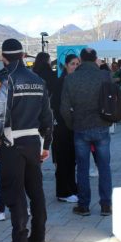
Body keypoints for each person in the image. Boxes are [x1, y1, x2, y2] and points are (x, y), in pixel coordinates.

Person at [0, 38, 53, 242]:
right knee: (36, 192)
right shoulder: (38, 80)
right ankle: (39, 237)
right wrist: (46, 145)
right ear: (23, 55)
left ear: (4, 57)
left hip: (12, 144)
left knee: (14, 193)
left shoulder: (6, 79)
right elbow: (47, 116)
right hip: (34, 142)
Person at [61, 47, 113, 217]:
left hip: (80, 128)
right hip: (102, 127)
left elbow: (64, 109)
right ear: (96, 58)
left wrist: (72, 124)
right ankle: (106, 205)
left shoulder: (71, 79)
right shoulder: (105, 76)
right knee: (104, 167)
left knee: (82, 169)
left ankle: (84, 206)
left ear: (81, 60)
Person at [50, 54, 79, 204]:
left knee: (71, 159)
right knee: (63, 159)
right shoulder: (61, 82)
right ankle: (63, 191)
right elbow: (57, 105)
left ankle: (72, 187)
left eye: (77, 64)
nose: (75, 66)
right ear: (66, 65)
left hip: (71, 126)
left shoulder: (72, 81)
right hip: (61, 126)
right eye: (72, 64)